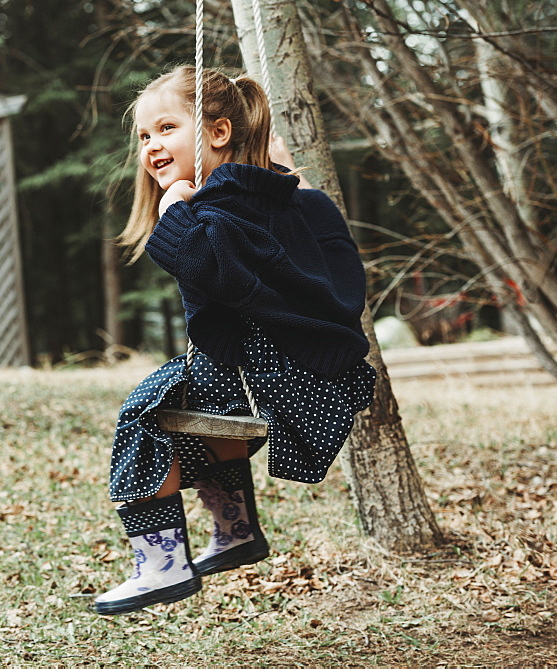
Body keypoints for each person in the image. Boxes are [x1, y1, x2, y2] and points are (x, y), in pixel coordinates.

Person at [93, 65, 377, 616]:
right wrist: (288, 175)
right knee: (191, 408)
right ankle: (235, 532)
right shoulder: (288, 204)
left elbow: (200, 258)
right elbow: (307, 240)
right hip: (312, 378)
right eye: (145, 136)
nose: (151, 145)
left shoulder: (218, 208)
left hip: (279, 381)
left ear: (218, 134)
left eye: (166, 128)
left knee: (145, 415)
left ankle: (163, 566)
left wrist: (176, 205)